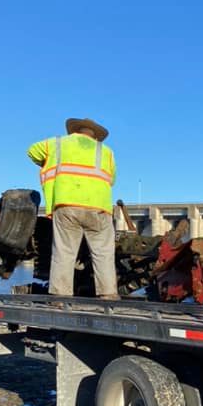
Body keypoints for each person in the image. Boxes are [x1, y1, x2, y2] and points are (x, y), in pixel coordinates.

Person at [28, 117, 118, 298]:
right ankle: (108, 295)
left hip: (67, 205)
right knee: (104, 254)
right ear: (95, 136)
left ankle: (61, 296)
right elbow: (112, 179)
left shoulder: (57, 144)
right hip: (99, 208)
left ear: (74, 131)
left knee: (65, 252)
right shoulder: (106, 152)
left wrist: (50, 161)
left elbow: (32, 152)